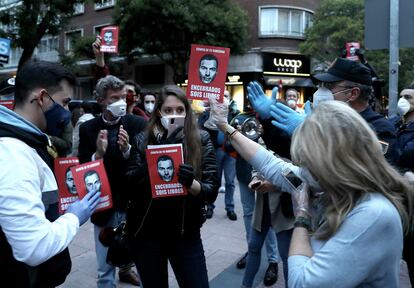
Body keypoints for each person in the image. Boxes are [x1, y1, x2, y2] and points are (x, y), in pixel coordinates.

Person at [209, 98, 413, 287]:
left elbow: (301, 283)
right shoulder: (327, 181)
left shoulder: (372, 214)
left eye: (309, 160)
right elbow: (274, 166)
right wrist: (225, 127)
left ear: (335, 160)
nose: (303, 169)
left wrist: (302, 218)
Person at [0, 60, 100, 287]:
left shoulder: (29, 140)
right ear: (42, 97)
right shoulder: (14, 153)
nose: (66, 111)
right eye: (64, 102)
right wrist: (74, 217)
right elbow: (33, 247)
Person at [125, 85, 219, 287]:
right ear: (159, 112)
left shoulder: (201, 140)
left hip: (186, 235)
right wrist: (155, 155)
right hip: (147, 235)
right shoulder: (142, 139)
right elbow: (129, 184)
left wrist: (191, 183)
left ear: (187, 112)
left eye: (179, 110)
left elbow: (210, 191)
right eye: (168, 111)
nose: (174, 115)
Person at [78, 75, 146, 287]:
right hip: (103, 204)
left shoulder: (138, 124)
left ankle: (127, 271)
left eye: (123, 97)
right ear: (100, 101)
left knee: (139, 255)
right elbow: (82, 168)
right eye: (114, 98)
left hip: (132, 201)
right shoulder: (88, 129)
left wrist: (127, 150)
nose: (121, 103)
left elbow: (144, 162)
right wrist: (98, 154)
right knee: (105, 266)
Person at [265, 58, 398, 165]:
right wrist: (267, 120)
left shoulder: (380, 129)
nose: (321, 91)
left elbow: (356, 168)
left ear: (353, 93)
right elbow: (293, 152)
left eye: (329, 86)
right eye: (322, 86)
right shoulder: (325, 120)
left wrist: (313, 133)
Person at [392, 83, 414, 285]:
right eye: (402, 96)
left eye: (408, 97)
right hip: (395, 198)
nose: (403, 101)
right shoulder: (394, 124)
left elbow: (402, 154)